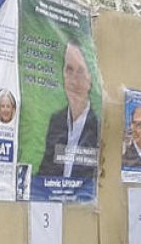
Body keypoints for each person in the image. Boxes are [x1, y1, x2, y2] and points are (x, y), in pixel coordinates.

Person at [38, 40, 99, 179]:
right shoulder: (56, 122)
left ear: (90, 79)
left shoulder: (98, 128)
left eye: (81, 71)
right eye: (69, 70)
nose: (73, 80)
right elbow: (44, 173)